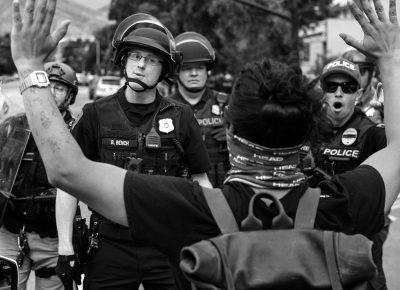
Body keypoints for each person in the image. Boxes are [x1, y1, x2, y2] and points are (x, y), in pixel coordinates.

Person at [10, 0, 400, 289]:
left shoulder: (195, 210)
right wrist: (391, 56)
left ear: (229, 135)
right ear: (308, 137)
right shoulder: (345, 204)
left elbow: (66, 169)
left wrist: (30, 66)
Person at [56, 13, 212, 290]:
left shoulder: (182, 117)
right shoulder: (95, 114)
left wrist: (213, 238)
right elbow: (68, 182)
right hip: (108, 246)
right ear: (123, 61)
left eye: (152, 60)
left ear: (163, 69)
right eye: (135, 56)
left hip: (167, 244)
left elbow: (201, 181)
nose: (141, 65)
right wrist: (66, 245)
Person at [0, 61, 78, 290]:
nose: (51, 93)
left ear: (70, 96)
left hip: (53, 235)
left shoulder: (77, 131)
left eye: (59, 88)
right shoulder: (12, 125)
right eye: (46, 85)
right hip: (10, 230)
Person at [315, 58, 388, 290]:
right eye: (331, 87)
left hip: (360, 241)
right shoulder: (307, 130)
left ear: (358, 94)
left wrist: (391, 113)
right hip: (316, 239)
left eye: (347, 88)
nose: (339, 93)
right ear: (323, 93)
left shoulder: (371, 132)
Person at [170, 31, 230, 187]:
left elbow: (250, 148)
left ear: (208, 71)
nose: (194, 73)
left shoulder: (228, 104)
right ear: (176, 71)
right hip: (180, 193)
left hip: (222, 191)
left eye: (199, 67)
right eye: (187, 68)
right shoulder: (165, 108)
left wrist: (233, 136)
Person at [342, 47, 378, 115]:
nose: (353, 75)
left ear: (373, 72)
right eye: (347, 71)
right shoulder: (333, 105)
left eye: (360, 70)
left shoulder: (383, 106)